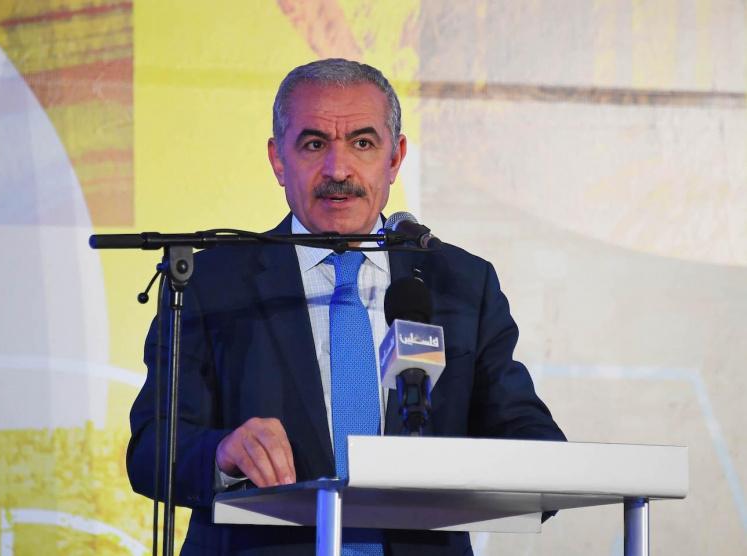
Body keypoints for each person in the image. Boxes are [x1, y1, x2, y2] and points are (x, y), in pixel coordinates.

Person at [127, 58, 565, 556]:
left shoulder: (460, 284)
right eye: (314, 144)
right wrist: (222, 454)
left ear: (395, 158)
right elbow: (151, 448)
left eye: (362, 143)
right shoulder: (210, 283)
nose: (338, 170)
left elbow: (531, 439)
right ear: (278, 159)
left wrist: (472, 467)